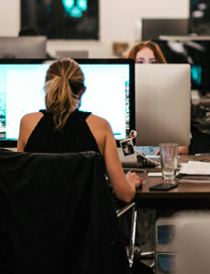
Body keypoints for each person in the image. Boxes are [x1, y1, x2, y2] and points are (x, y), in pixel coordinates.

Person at [17, 58, 143, 203]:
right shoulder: (100, 126)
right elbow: (124, 195)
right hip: (86, 224)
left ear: (47, 87)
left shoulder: (27, 123)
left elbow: (20, 182)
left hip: (36, 223)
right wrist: (130, 183)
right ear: (82, 91)